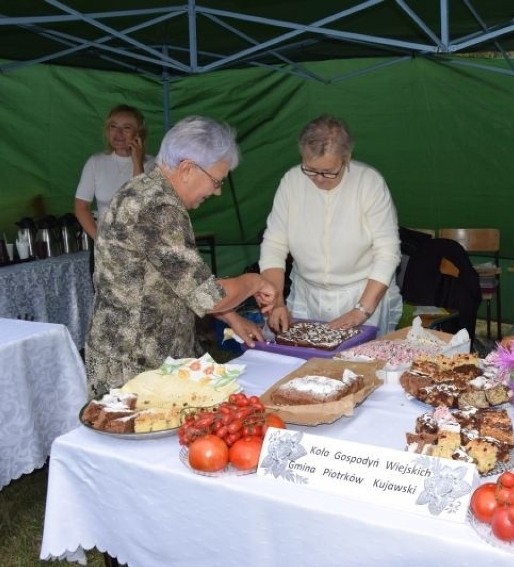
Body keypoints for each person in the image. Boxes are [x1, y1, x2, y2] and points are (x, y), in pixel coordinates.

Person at [85, 116, 277, 395]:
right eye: (216, 180)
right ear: (187, 169)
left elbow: (178, 281)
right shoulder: (157, 207)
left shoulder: (145, 190)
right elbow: (208, 296)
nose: (217, 191)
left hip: (146, 357)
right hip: (135, 367)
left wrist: (232, 318)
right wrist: (255, 281)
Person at [259, 114, 403, 336]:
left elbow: (387, 252)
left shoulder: (369, 183)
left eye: (328, 172)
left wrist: (361, 310)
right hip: (306, 294)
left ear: (346, 158)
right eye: (310, 169)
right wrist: (276, 301)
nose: (318, 179)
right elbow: (274, 245)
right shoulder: (291, 182)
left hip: (361, 293)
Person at [74, 104, 155, 243]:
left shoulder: (154, 164)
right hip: (106, 247)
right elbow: (81, 207)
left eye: (126, 128)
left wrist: (137, 162)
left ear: (138, 133)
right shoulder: (95, 162)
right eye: (113, 126)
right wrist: (100, 240)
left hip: (141, 247)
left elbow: (141, 203)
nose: (118, 133)